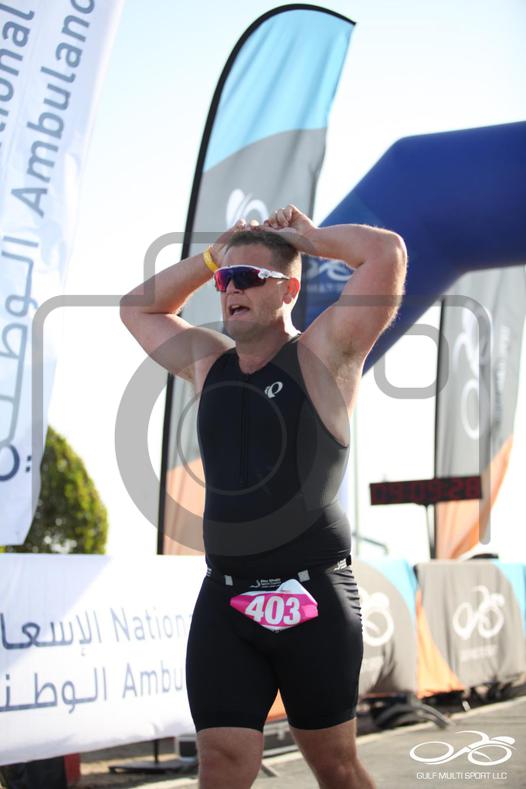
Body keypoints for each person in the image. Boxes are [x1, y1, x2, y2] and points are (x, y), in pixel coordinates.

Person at [120, 204, 407, 789]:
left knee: (335, 767)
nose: (231, 289)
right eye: (226, 280)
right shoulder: (208, 362)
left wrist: (312, 239)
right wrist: (213, 256)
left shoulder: (324, 353)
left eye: (249, 277)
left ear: (289, 290)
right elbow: (137, 308)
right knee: (222, 763)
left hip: (312, 596)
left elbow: (386, 253)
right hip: (227, 598)